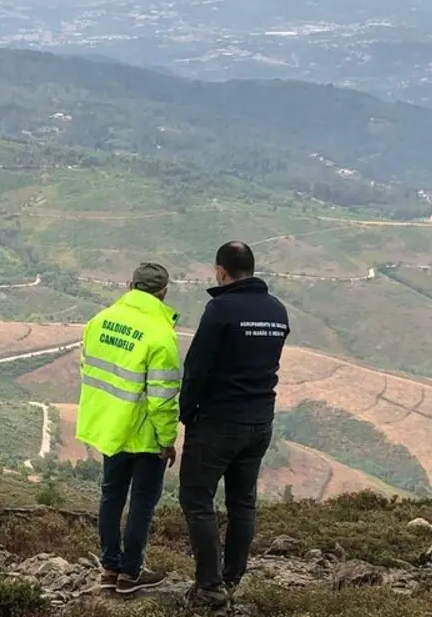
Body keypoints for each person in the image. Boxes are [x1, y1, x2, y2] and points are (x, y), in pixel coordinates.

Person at [178, 242, 290, 609]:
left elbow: (197, 368)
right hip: (260, 421)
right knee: (242, 503)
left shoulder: (220, 308)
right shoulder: (277, 310)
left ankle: (209, 586)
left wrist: (187, 412)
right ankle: (231, 578)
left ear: (221, 271)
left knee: (197, 498)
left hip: (219, 421)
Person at [75, 262, 182, 594]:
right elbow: (163, 399)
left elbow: (88, 370)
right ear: (163, 293)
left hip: (112, 427)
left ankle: (109, 567)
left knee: (111, 496)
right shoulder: (161, 335)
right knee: (142, 504)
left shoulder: (99, 321)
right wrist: (167, 440)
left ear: (129, 285)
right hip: (146, 434)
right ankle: (130, 572)